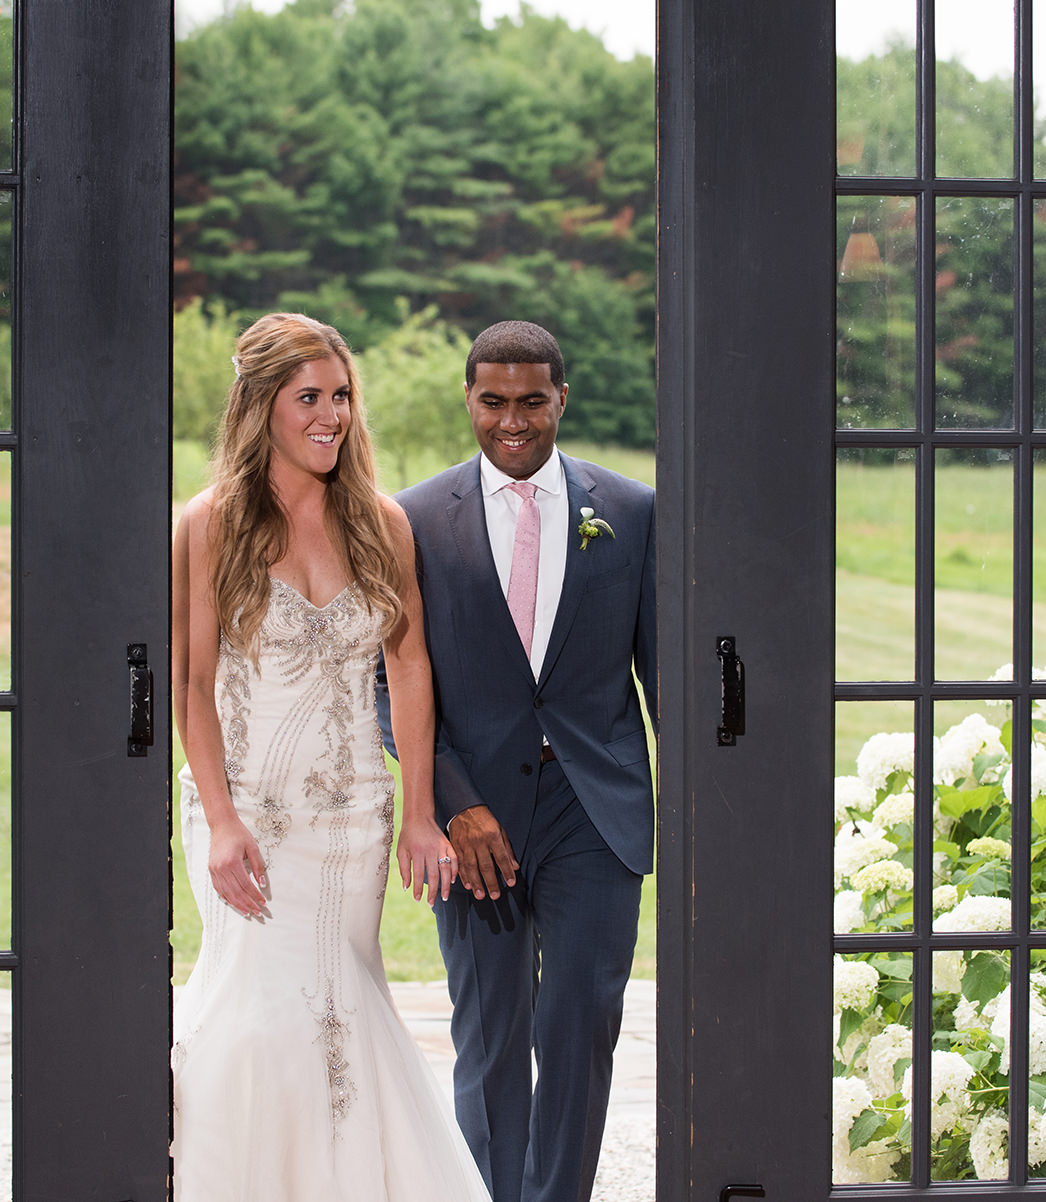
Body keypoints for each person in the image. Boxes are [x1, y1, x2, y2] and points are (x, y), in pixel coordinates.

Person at [170, 312, 492, 1202]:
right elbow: (192, 687)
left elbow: (411, 665)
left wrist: (420, 811)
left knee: (345, 1004)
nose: (332, 415)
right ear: (260, 406)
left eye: (341, 395)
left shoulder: (380, 523)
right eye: (308, 397)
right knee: (253, 1008)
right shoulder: (210, 524)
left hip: (352, 811)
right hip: (247, 814)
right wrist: (223, 820)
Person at [379, 320, 657, 1202]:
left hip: (594, 811)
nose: (513, 420)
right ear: (468, 399)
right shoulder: (413, 519)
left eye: (532, 401)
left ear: (561, 399)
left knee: (580, 1025)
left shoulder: (634, 512)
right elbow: (389, 684)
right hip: (475, 818)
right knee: (492, 1034)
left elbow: (667, 674)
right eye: (493, 400)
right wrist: (452, 802)